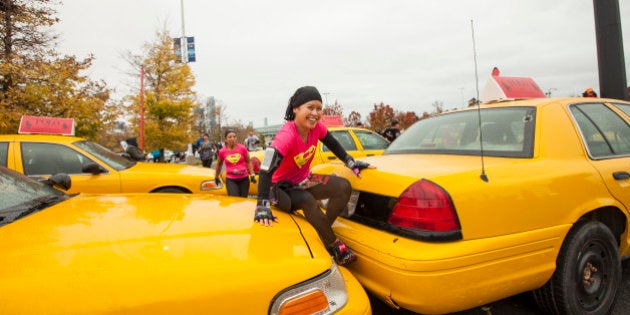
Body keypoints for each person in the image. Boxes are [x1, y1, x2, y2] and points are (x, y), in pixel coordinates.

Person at [254, 86, 374, 266]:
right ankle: (332, 244)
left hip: (303, 181)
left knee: (343, 187)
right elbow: (265, 169)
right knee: (307, 200)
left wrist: (350, 162)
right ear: (296, 108)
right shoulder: (287, 135)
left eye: (319, 109)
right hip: (281, 189)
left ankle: (321, 231)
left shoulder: (317, 128)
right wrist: (262, 204)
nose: (315, 113)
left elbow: (333, 144)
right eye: (310, 107)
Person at [215, 129, 256, 197]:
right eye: (230, 137)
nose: (232, 139)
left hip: (244, 179)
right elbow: (219, 164)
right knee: (234, 200)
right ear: (225, 139)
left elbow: (248, 161)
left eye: (234, 137)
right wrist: (216, 177)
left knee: (243, 200)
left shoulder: (242, 148)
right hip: (231, 180)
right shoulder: (222, 151)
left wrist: (252, 174)